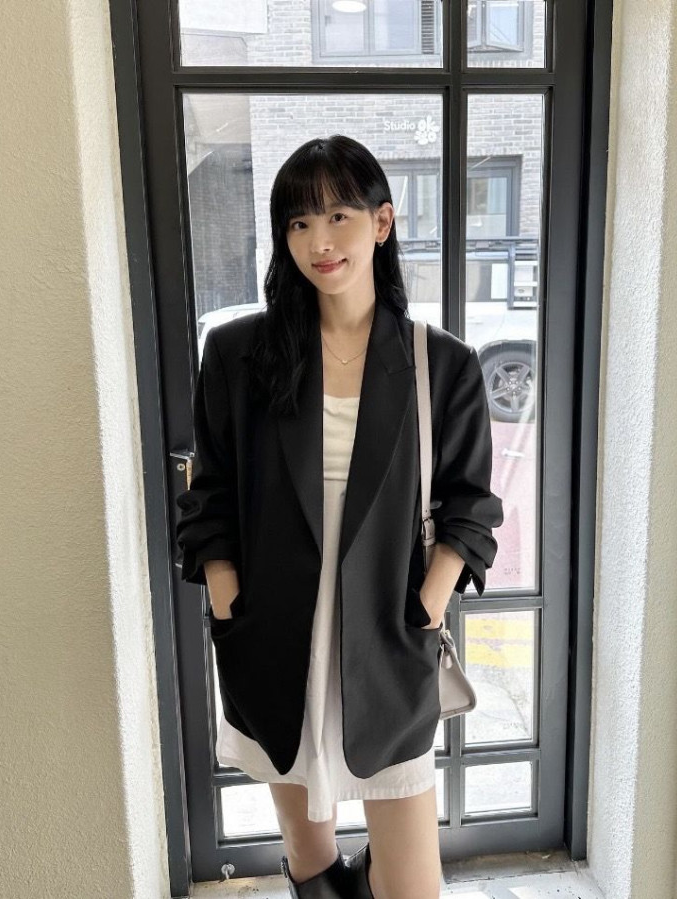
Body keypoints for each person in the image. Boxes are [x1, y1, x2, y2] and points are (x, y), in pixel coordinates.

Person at [175, 134, 504, 899]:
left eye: (338, 216)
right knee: (313, 864)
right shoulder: (239, 354)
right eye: (297, 221)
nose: (318, 241)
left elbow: (471, 507)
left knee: (413, 885)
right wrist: (228, 601)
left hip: (387, 641)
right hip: (272, 638)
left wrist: (426, 607)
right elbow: (208, 492)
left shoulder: (440, 363)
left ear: (382, 222)